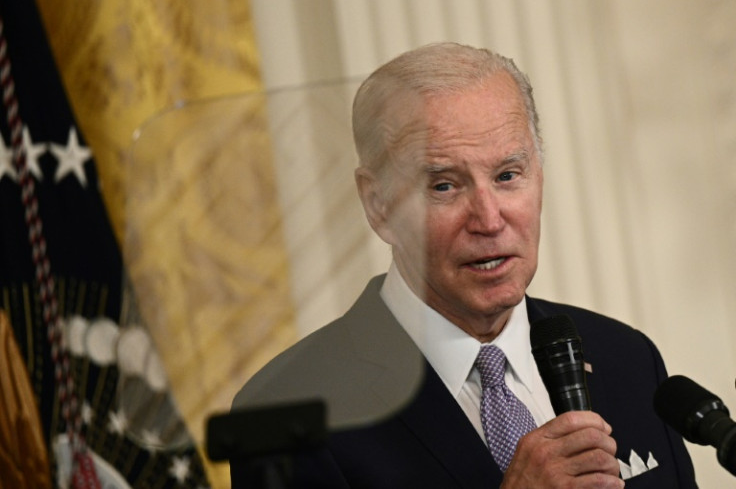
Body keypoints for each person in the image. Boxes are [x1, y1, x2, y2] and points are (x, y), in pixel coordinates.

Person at [231, 42, 697, 488]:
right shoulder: (284, 416)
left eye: (507, 176)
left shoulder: (627, 358)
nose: (489, 219)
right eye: (444, 186)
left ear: (539, 175)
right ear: (377, 205)